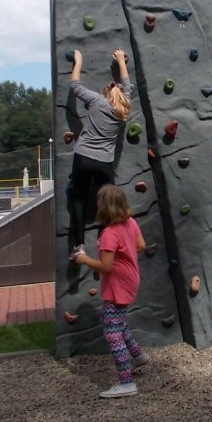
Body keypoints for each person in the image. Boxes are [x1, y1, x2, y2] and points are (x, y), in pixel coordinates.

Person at [73, 184, 150, 398]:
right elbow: (141, 245)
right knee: (115, 321)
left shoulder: (108, 234)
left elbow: (105, 267)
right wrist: (124, 253)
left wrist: (83, 259)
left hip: (118, 284)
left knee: (112, 333)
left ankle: (126, 383)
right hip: (130, 279)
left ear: (104, 207)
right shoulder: (130, 222)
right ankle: (139, 356)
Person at [68, 48, 132, 261]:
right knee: (109, 204)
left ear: (106, 92)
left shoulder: (97, 100)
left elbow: (75, 86)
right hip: (104, 162)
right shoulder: (123, 109)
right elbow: (128, 85)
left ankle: (79, 247)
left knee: (79, 198)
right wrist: (121, 60)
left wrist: (78, 61)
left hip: (83, 157)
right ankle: (106, 247)